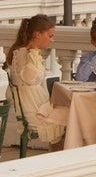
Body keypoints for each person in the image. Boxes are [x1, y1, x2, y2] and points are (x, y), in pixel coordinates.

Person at [7, 14, 66, 146]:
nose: (52, 40)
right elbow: (29, 79)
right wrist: (33, 54)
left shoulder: (29, 53)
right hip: (32, 109)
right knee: (69, 118)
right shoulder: (25, 54)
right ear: (38, 34)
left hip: (35, 104)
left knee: (69, 114)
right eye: (50, 36)